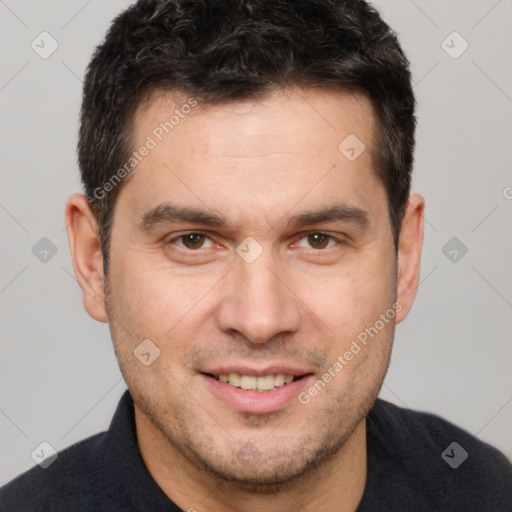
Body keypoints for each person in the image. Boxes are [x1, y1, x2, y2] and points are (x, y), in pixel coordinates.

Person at [1, 0, 511, 510]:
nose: (260, 319)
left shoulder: (487, 491)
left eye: (318, 239)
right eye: (193, 240)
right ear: (94, 262)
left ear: (404, 259)